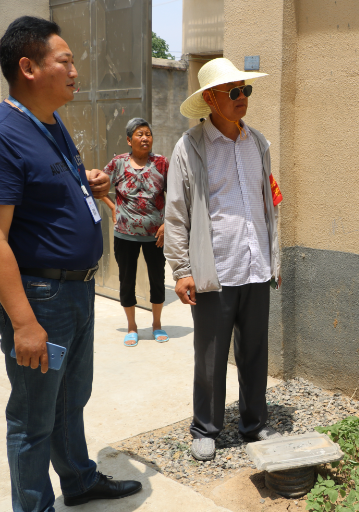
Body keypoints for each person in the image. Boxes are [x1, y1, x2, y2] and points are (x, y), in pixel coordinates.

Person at [0, 16, 142, 511]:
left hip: (76, 291)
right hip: (42, 299)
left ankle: (78, 481)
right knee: (33, 416)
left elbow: (42, 185)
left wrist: (87, 181)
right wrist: (23, 321)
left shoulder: (50, 121)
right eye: (66, 61)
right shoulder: (4, 133)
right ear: (28, 67)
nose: (76, 71)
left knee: (69, 400)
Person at [164, 58, 283, 461]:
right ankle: (206, 428)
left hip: (254, 266)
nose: (242, 99)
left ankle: (254, 424)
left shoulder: (259, 144)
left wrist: (274, 258)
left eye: (245, 90)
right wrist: (181, 270)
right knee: (211, 355)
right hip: (214, 269)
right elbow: (176, 213)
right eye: (233, 92)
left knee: (254, 352)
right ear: (210, 99)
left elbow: (270, 203)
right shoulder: (190, 147)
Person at [102, 118, 169, 347]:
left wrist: (167, 222)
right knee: (126, 280)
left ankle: (157, 324)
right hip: (125, 233)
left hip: (156, 236)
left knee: (157, 279)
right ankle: (132, 327)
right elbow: (98, 186)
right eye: (140, 134)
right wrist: (113, 208)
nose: (145, 138)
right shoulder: (118, 163)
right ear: (129, 140)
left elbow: (177, 196)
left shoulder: (162, 164)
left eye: (148, 134)